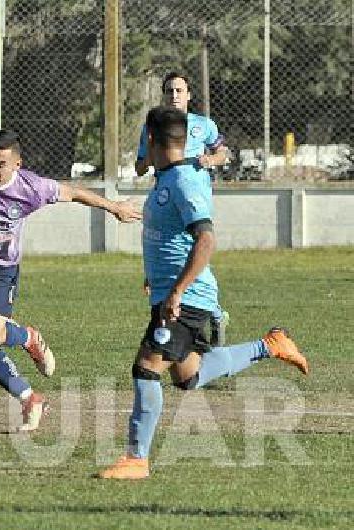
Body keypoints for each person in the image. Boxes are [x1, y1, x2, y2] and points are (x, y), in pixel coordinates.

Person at [99, 106, 308, 480]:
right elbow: (170, 239)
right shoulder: (169, 178)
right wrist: (157, 278)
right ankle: (271, 345)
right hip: (172, 293)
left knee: (147, 366)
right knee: (187, 375)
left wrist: (177, 290)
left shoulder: (184, 181)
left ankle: (136, 458)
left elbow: (205, 239)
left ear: (150, 138)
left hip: (187, 298)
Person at [0, 130, 142, 431]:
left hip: (1, 269)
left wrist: (115, 208)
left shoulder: (31, 188)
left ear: (17, 164)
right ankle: (29, 398)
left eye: (1, 165)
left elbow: (74, 193)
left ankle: (27, 338)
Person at [135, 72, 230, 346]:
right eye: (169, 91)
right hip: (167, 189)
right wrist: (149, 161)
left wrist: (211, 159)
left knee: (197, 246)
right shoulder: (154, 127)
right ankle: (210, 312)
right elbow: (141, 164)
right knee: (182, 249)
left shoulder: (203, 125)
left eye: (179, 91)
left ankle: (209, 309)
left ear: (189, 95)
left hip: (193, 194)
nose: (174, 96)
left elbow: (224, 153)